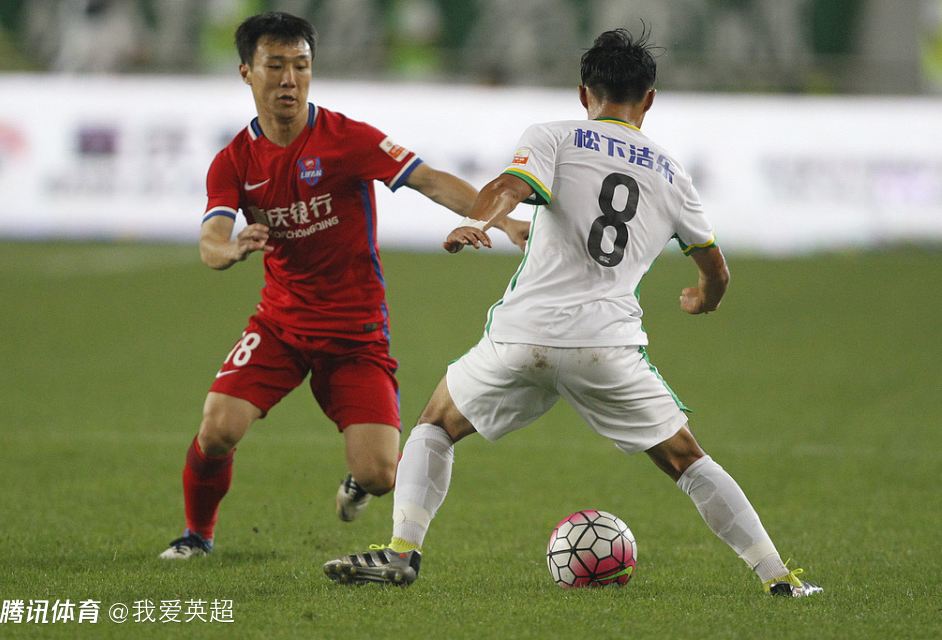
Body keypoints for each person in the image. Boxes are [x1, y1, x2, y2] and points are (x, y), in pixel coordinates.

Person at [322, 27, 823, 597]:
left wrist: (476, 223)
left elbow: (509, 186)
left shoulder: (555, 136)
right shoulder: (672, 173)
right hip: (605, 346)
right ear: (649, 99)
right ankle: (779, 579)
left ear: (584, 93)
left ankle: (401, 551)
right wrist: (702, 298)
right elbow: (716, 269)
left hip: (523, 337)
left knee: (436, 425)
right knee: (687, 459)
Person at [160, 11, 529, 560]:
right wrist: (231, 248)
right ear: (246, 72)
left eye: (301, 65)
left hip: (356, 334)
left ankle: (358, 482)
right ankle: (197, 535)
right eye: (275, 66)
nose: (290, 79)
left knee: (380, 474)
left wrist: (502, 220)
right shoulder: (233, 161)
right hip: (280, 326)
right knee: (217, 428)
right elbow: (210, 240)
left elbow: (429, 180)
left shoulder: (346, 138)